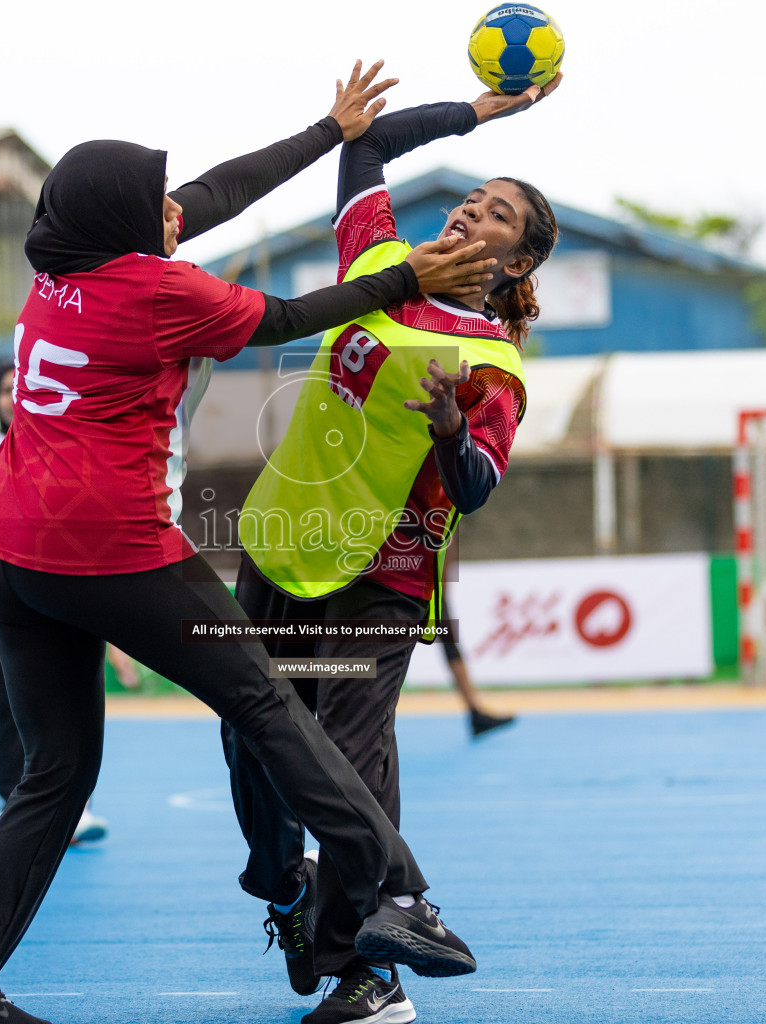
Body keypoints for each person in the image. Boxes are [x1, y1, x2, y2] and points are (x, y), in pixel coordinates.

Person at [0, 62, 498, 1024]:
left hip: (8, 551)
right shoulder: (156, 293)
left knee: (55, 776)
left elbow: (208, 194)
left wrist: (323, 131)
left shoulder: (61, 266)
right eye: (157, 206)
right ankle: (400, 894)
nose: (176, 212)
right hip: (111, 545)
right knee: (267, 704)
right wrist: (411, 276)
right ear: (131, 227)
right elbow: (295, 319)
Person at [225, 76, 561, 1024]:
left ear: (516, 259)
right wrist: (477, 113)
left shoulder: (491, 364)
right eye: (471, 194)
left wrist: (453, 430)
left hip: (386, 573)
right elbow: (363, 151)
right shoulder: (382, 259)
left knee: (347, 754)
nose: (470, 208)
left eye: (497, 212)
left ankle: (366, 973)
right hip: (285, 541)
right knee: (251, 739)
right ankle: (284, 890)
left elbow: (476, 491)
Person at [0, 365, 111, 840]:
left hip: (64, 599)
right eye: (5, 390)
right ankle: (13, 804)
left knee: (70, 702)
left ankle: (76, 804)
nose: (14, 396)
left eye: (21, 387)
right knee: (5, 708)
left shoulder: (71, 445)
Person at [439, 591, 515, 737]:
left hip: (417, 588)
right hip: (419, 589)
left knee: (450, 645)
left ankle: (475, 712)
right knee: (450, 645)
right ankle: (475, 713)